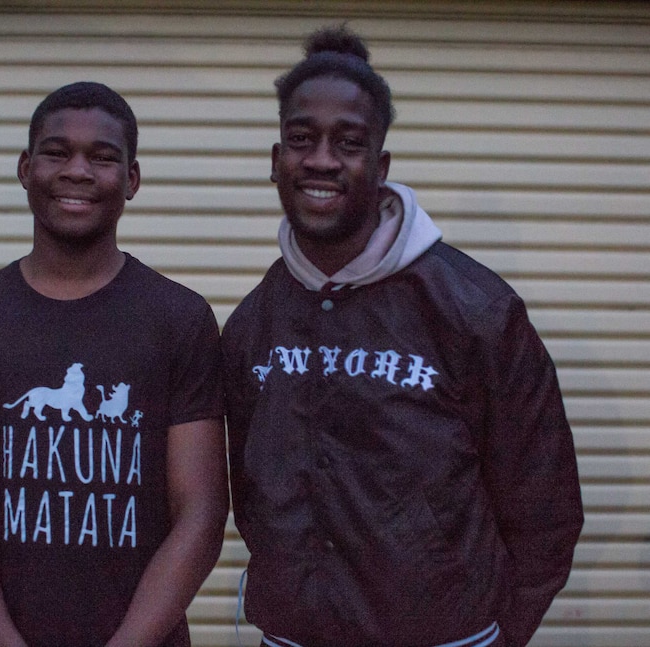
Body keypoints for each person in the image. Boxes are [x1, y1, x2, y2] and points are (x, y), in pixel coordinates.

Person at [222, 25, 583, 647]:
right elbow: (249, 496)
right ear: (276, 161)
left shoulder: (476, 309)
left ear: (380, 165)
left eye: (349, 142)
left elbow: (545, 507)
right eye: (302, 139)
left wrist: (502, 634)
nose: (322, 159)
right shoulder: (253, 324)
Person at [0, 81, 228, 647]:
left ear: (131, 180)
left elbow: (200, 511)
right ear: (26, 168)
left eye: (102, 157)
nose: (78, 170)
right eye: (57, 152)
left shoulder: (181, 318)